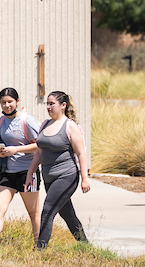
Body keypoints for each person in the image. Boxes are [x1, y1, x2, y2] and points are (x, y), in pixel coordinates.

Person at [24, 91, 89, 249]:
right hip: (49, 177)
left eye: (51, 103)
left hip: (67, 176)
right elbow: (39, 152)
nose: (48, 107)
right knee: (68, 214)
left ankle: (39, 250)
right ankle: (86, 246)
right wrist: (29, 174)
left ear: (63, 105)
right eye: (47, 103)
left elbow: (81, 153)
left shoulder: (70, 126)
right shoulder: (45, 125)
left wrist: (85, 178)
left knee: (47, 210)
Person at [0, 88, 41, 248]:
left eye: (10, 101)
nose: (7, 105)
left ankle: (39, 248)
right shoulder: (1, 121)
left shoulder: (27, 120)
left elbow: (41, 144)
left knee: (33, 213)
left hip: (27, 172)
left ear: (17, 102)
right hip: (7, 171)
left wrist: (16, 149)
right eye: (3, 102)